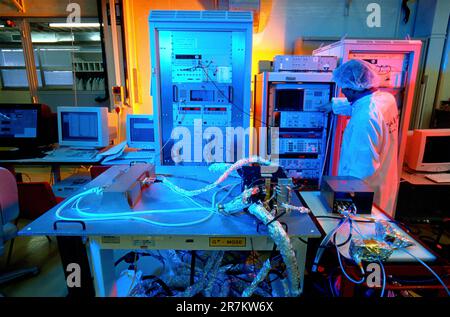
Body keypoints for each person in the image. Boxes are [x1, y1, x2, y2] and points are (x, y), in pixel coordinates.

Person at [323, 59, 399, 214]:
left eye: (345, 88)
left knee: (360, 234)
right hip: (384, 181)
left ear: (354, 88)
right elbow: (358, 104)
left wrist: (341, 200)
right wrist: (333, 106)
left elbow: (360, 171)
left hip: (364, 194)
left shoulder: (364, 119)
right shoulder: (386, 99)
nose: (343, 92)